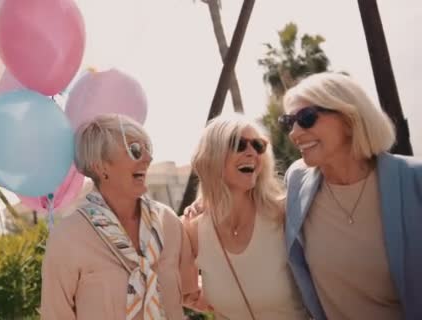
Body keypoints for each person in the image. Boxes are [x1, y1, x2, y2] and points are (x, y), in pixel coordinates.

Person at [280, 72, 422, 320]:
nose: (294, 132)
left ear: (349, 119)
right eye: (288, 121)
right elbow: (259, 204)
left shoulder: (415, 179)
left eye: (306, 118)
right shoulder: (296, 180)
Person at [40, 114, 205, 320]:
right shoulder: (67, 238)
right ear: (100, 166)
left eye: (148, 150)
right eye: (135, 150)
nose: (147, 158)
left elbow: (193, 293)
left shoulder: (168, 221)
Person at [182, 114, 307, 320]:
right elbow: (185, 293)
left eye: (258, 146)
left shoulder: (283, 213)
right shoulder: (191, 229)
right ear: (212, 156)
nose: (251, 153)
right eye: (238, 144)